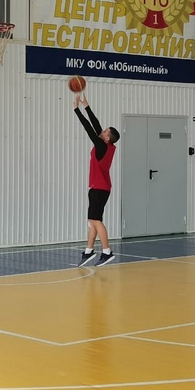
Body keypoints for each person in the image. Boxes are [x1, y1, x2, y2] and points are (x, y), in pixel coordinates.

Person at [74, 92, 120, 267]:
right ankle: (89, 251)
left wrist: (76, 110)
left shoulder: (101, 146)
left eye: (105, 131)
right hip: (102, 187)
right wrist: (86, 106)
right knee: (93, 220)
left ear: (107, 138)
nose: (102, 131)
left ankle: (107, 252)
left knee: (95, 220)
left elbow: (89, 127)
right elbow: (95, 124)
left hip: (99, 188)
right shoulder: (108, 146)